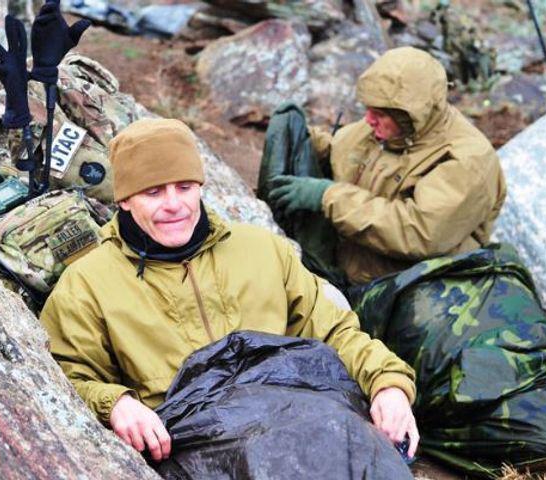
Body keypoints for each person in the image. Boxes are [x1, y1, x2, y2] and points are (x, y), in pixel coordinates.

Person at [39, 118, 419, 463]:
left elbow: (336, 332)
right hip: (194, 449)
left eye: (184, 187)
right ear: (124, 200)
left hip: (300, 423)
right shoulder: (87, 283)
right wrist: (115, 404)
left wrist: (389, 384)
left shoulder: (263, 249)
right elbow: (66, 376)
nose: (174, 205)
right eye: (153, 192)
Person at [267, 47, 506, 285]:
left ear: (410, 114)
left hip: (407, 292)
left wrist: (328, 196)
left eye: (379, 113)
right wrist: (303, 137)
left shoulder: (467, 160)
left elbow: (419, 232)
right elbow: (343, 153)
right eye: (368, 109)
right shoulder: (388, 128)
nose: (369, 120)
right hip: (351, 268)